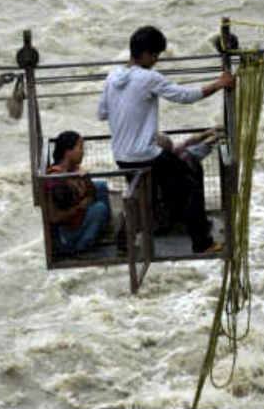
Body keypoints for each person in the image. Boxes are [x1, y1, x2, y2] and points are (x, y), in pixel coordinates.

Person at [98, 25, 234, 254]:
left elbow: (101, 113)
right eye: (155, 55)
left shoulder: (113, 77)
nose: (156, 60)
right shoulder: (148, 78)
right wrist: (219, 84)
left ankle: (123, 244)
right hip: (146, 155)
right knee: (189, 185)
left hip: (122, 156)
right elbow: (184, 96)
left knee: (144, 199)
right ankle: (203, 243)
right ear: (147, 54)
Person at [46, 131, 111, 257]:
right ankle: (82, 249)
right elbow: (55, 217)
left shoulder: (72, 170)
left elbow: (91, 192)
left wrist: (86, 179)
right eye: (80, 148)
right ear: (68, 152)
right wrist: (81, 206)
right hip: (67, 235)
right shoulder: (56, 179)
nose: (83, 152)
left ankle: (103, 232)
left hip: (78, 219)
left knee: (100, 186)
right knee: (100, 209)